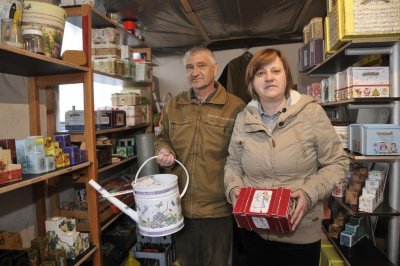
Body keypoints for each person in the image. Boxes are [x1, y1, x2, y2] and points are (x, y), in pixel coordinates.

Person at [224, 48, 349, 266]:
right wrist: (234, 189)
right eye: (260, 73)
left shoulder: (311, 113)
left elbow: (337, 163)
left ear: (286, 77)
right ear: (252, 82)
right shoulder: (244, 118)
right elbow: (233, 163)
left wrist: (309, 192)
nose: (269, 77)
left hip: (299, 233)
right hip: (255, 231)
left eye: (275, 70)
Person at [154, 46, 246, 266]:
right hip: (180, 205)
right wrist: (163, 150)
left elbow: (244, 155)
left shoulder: (235, 107)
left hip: (218, 209)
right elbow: (162, 137)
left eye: (201, 65)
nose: (194, 72)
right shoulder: (173, 106)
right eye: (189, 67)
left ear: (214, 69)